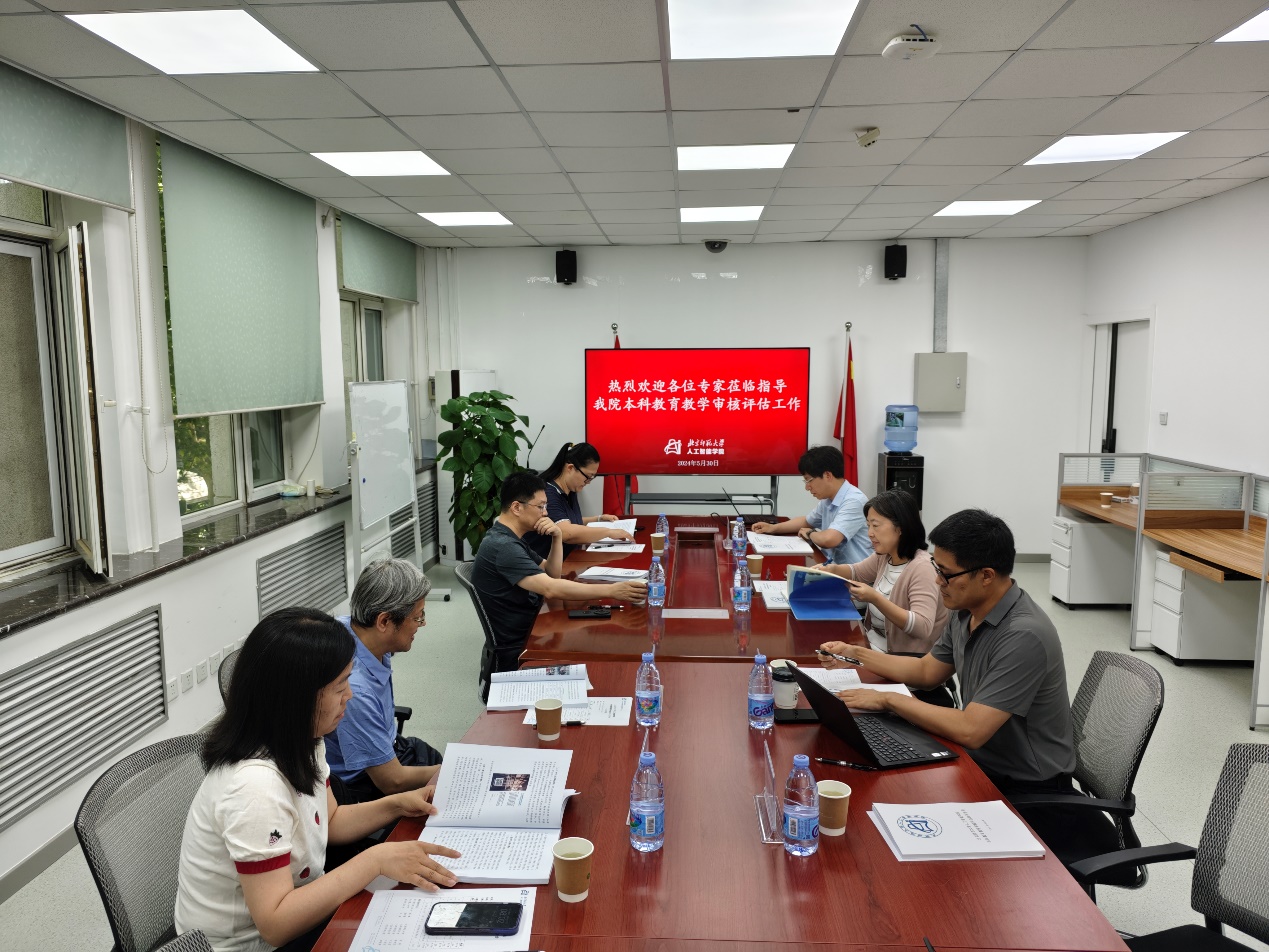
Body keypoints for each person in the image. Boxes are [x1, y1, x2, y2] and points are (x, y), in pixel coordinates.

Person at [175, 608, 460, 952]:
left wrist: (397, 804)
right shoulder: (254, 788)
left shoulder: (303, 738)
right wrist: (374, 861)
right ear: (298, 698)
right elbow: (276, 925)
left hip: (297, 914)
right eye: (340, 686)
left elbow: (331, 820)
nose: (349, 696)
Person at [817, 509, 1076, 826]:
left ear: (986, 575)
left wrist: (888, 699)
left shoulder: (1023, 636)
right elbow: (927, 673)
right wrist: (855, 653)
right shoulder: (967, 609)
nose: (938, 581)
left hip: (1025, 787)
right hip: (979, 760)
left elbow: (971, 730)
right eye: (936, 569)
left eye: (947, 574)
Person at [472, 471, 647, 674]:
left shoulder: (510, 537)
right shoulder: (504, 546)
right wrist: (612, 590)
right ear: (517, 507)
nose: (546, 513)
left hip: (532, 623)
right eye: (540, 507)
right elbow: (551, 588)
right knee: (599, 653)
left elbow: (552, 574)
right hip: (519, 645)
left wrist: (557, 536)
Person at [815, 489, 952, 706]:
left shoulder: (922, 568)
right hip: (873, 652)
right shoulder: (885, 556)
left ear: (901, 527)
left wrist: (875, 598)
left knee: (833, 700)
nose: (870, 533)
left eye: (876, 526)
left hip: (902, 668)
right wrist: (830, 570)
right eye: (868, 525)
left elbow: (922, 626)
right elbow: (856, 572)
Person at [324, 558, 442, 805]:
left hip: (389, 744)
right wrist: (452, 770)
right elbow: (392, 781)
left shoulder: (353, 629)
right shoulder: (354, 690)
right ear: (384, 621)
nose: (422, 624)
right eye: (417, 617)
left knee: (433, 757)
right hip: (364, 780)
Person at [751, 445, 870, 564]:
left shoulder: (854, 500)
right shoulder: (828, 499)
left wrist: (810, 533)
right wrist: (772, 528)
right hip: (832, 566)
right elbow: (807, 521)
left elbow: (829, 539)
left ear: (827, 476)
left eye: (809, 480)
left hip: (855, 573)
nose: (807, 487)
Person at [526, 441, 633, 560]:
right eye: (587, 477)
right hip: (543, 564)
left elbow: (567, 520)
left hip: (567, 559)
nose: (588, 482)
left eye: (592, 477)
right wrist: (608, 532)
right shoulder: (548, 494)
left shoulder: (570, 489)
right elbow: (566, 533)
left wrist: (598, 519)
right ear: (570, 468)